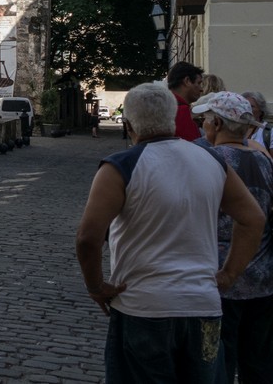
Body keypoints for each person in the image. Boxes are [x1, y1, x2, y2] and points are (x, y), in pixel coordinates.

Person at [75, 82, 265, 384]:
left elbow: (88, 238)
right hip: (202, 305)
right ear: (173, 118)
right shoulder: (211, 160)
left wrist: (96, 286)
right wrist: (229, 274)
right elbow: (253, 219)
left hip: (143, 306)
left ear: (128, 124)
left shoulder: (120, 166)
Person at [193, 92, 273, 384]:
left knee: (217, 360)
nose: (203, 125)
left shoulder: (208, 160)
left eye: (205, 120)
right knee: (258, 362)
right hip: (262, 278)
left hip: (219, 279)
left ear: (217, 124)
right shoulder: (263, 160)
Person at [167, 61, 205, 141]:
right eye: (199, 83)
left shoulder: (164, 106)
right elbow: (192, 144)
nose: (201, 89)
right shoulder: (181, 111)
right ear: (187, 81)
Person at [242, 90, 272, 155]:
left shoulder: (269, 132)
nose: (247, 109)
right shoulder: (235, 129)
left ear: (261, 110)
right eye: (245, 105)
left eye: (251, 106)